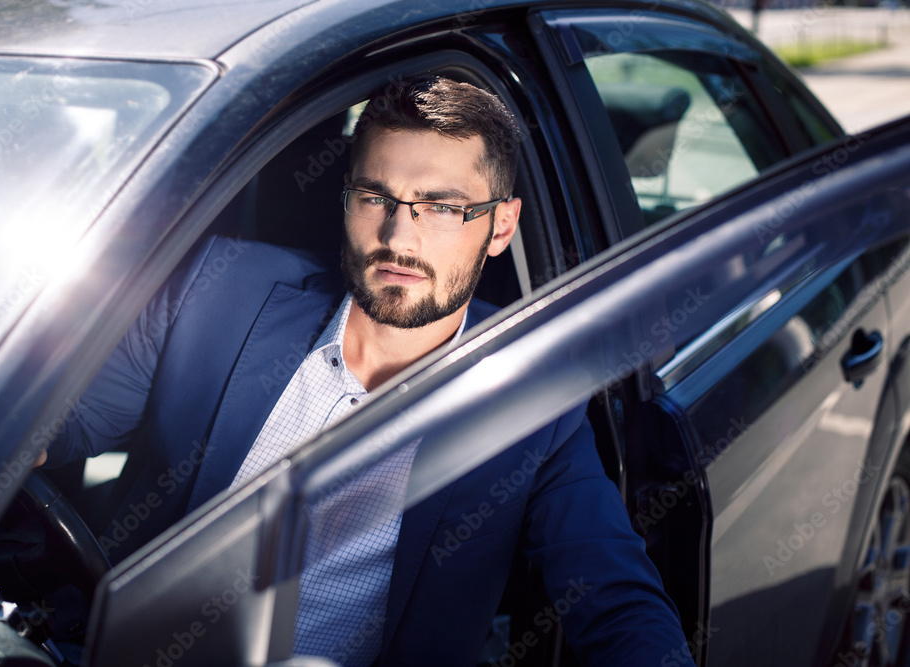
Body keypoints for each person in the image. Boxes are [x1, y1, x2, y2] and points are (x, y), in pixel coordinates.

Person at [40, 76, 687, 665]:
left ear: (500, 226)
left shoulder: (528, 398)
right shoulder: (219, 287)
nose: (400, 238)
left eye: (442, 207)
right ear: (345, 196)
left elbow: (612, 595)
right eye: (376, 195)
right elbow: (56, 426)